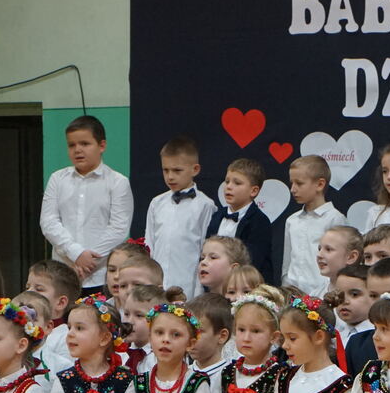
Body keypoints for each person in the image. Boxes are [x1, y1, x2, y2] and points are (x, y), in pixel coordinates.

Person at [39, 115, 134, 294]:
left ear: (102, 145)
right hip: (63, 274)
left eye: (84, 144)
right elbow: (49, 222)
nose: (78, 150)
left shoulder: (117, 182)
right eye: (72, 145)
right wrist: (76, 254)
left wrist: (89, 261)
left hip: (101, 275)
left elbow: (119, 228)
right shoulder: (57, 179)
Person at [146, 135, 216, 297]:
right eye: (165, 170)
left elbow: (204, 251)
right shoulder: (156, 203)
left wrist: (199, 293)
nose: (170, 176)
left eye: (177, 170)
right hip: (157, 287)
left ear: (195, 169)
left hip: (188, 288)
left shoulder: (205, 205)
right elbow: (149, 245)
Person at [283, 155, 347, 297]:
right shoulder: (292, 220)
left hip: (322, 294)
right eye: (291, 183)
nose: (292, 189)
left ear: (320, 184)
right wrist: (285, 287)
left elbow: (341, 262)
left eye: (299, 183)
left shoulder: (334, 218)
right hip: (292, 294)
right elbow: (287, 262)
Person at [207, 158, 275, 285]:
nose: (229, 187)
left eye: (237, 183)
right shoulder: (217, 216)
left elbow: (253, 261)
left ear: (253, 191)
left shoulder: (260, 221)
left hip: (247, 286)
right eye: (227, 181)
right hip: (216, 285)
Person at [25, 259, 83, 375]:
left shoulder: (65, 338)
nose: (29, 293)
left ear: (61, 303)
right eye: (27, 287)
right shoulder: (20, 331)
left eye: (39, 289)